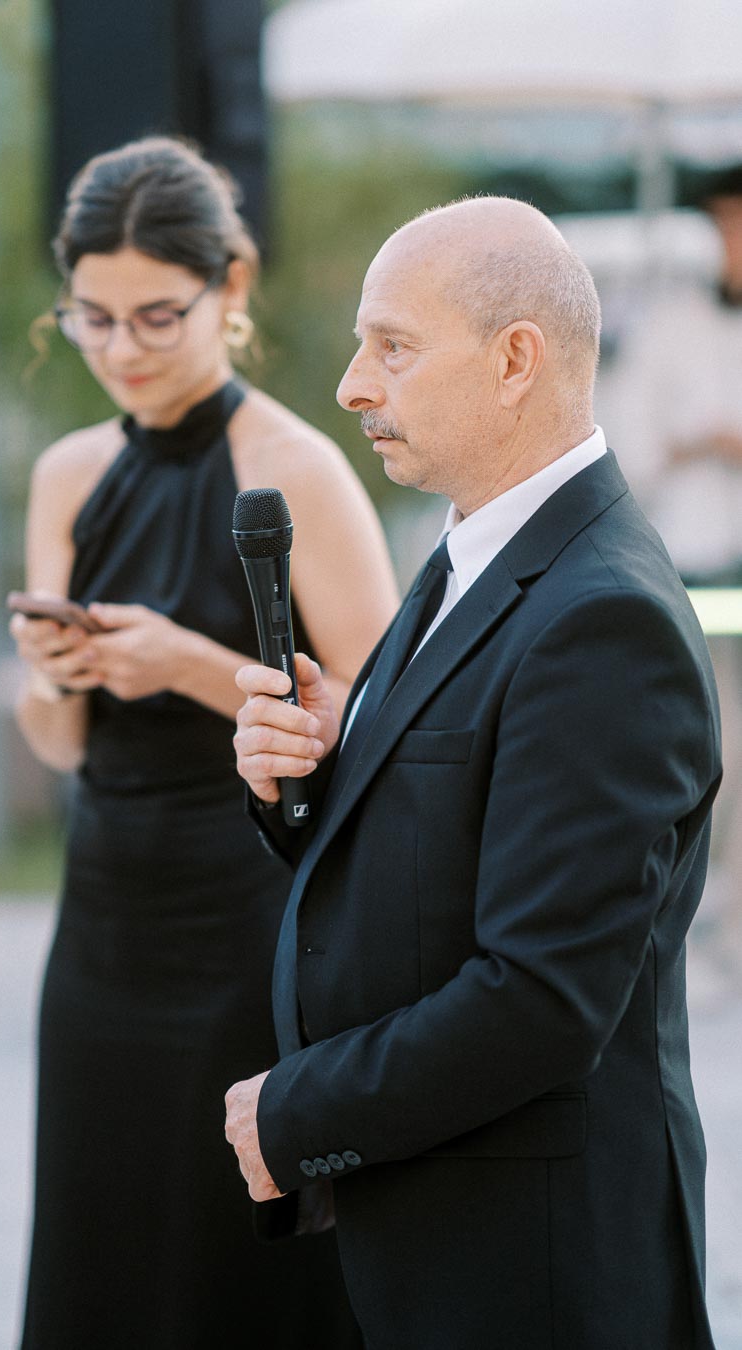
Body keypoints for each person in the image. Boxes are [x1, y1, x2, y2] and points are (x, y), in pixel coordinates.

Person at [227, 197, 721, 1350]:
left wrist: (293, 1118)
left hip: (532, 1264)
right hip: (443, 1227)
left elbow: (544, 998)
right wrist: (303, 784)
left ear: (514, 362)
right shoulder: (477, 546)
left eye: (392, 347)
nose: (354, 385)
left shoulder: (603, 618)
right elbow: (438, 857)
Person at [10, 136, 398, 1349]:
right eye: (93, 317)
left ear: (230, 290)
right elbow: (64, 748)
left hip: (250, 919)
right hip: (104, 919)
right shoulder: (69, 474)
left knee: (232, 1253)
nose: (121, 349)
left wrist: (184, 663)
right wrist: (53, 677)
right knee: (102, 1232)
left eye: (156, 316)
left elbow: (394, 729)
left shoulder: (297, 469)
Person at [602, 163, 742, 961]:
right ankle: (700, 930)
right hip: (698, 568)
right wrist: (700, 441)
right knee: (706, 754)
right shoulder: (671, 325)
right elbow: (630, 444)